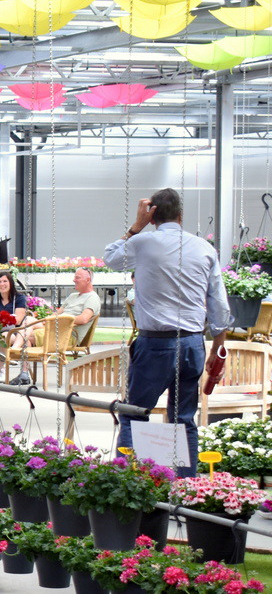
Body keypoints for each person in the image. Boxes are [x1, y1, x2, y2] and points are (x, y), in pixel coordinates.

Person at [104, 188, 231, 479]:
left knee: (134, 413)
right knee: (184, 419)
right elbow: (218, 302)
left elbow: (110, 258)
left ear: (152, 217)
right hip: (192, 343)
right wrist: (217, 348)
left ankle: (128, 486)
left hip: (155, 343)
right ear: (181, 216)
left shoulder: (143, 242)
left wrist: (135, 227)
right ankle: (187, 487)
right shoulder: (204, 248)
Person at [8, 266, 102, 385]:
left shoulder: (92, 298)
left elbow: (84, 319)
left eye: (77, 277)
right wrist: (46, 320)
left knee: (25, 335)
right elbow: (57, 313)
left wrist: (61, 320)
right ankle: (22, 368)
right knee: (29, 321)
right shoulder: (73, 296)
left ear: (88, 280)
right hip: (55, 329)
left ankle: (16, 358)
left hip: (67, 335)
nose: (74, 280)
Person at [0, 272, 29, 382]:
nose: (2, 284)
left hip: (14, 332)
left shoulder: (19, 298)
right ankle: (1, 371)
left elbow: (18, 320)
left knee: (2, 338)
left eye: (5, 281)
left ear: (11, 283)